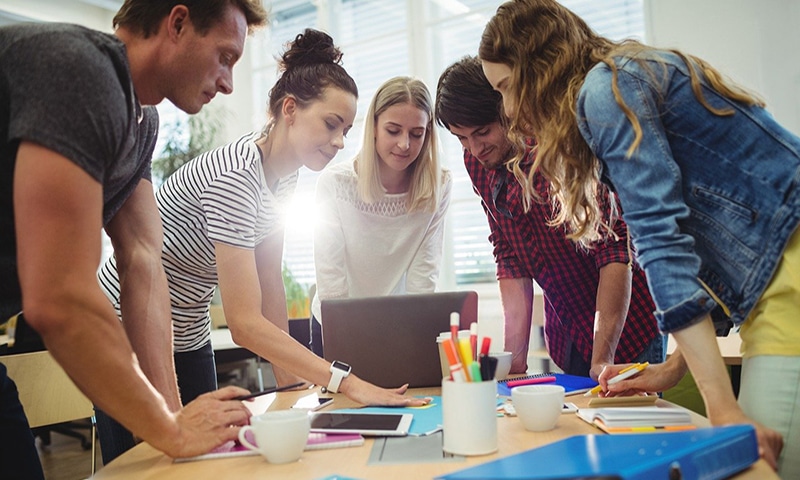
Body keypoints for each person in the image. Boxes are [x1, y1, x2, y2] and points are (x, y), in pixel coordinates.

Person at [479, 0, 797, 474]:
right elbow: (704, 246)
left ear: (537, 68)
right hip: (773, 287)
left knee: (754, 463)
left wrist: (722, 407)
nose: (506, 107)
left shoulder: (605, 92)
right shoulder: (624, 74)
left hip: (789, 283)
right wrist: (671, 369)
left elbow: (662, 243)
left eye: (505, 87)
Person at [96, 28, 430, 463]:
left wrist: (292, 387)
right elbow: (244, 323)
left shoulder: (284, 176)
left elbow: (269, 281)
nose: (340, 142)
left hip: (188, 325)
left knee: (200, 459)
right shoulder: (235, 175)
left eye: (346, 129)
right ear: (289, 109)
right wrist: (343, 381)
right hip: (128, 319)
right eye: (331, 124)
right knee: (146, 465)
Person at [0, 0, 268, 476]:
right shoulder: (81, 70)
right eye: (225, 57)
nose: (228, 82)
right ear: (178, 23)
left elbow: (144, 258)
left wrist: (173, 422)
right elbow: (59, 298)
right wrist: (171, 430)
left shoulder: (141, 123)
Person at [435, 56, 663, 379]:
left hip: (626, 328)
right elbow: (508, 254)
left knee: (629, 426)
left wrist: (603, 359)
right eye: (461, 138)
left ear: (507, 110)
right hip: (568, 332)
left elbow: (613, 251)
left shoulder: (557, 148)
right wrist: (514, 361)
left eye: (482, 132)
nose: (473, 149)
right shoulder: (478, 162)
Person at [311, 76, 452, 356]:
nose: (404, 144)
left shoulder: (439, 185)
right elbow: (331, 281)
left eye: (416, 133)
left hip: (398, 323)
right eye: (393, 130)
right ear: (374, 127)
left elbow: (423, 278)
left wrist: (413, 341)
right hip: (336, 321)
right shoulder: (336, 183)